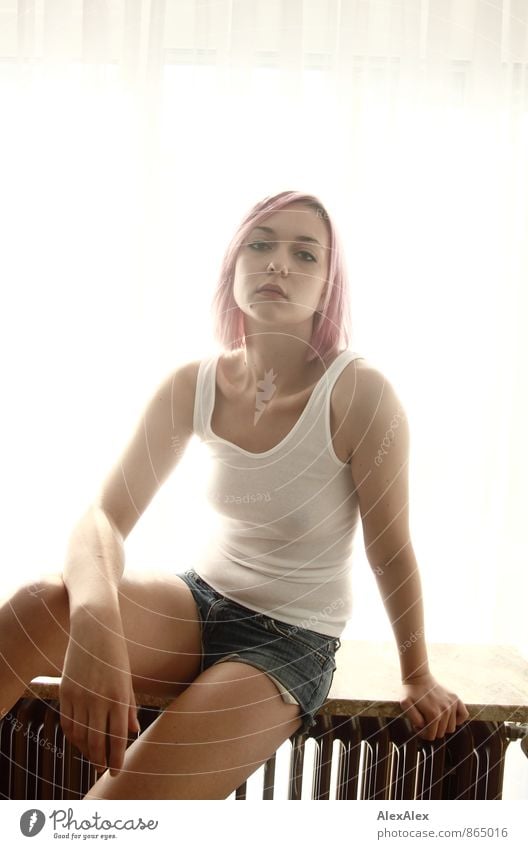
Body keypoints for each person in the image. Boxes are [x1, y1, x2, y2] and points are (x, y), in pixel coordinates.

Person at [0, 190, 469, 800]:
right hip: (198, 603)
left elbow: (391, 548)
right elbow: (102, 520)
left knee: (109, 821)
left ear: (328, 286)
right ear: (233, 267)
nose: (278, 263)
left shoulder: (359, 393)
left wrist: (418, 674)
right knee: (39, 603)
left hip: (287, 637)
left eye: (305, 254)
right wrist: (97, 620)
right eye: (260, 244)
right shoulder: (193, 385)